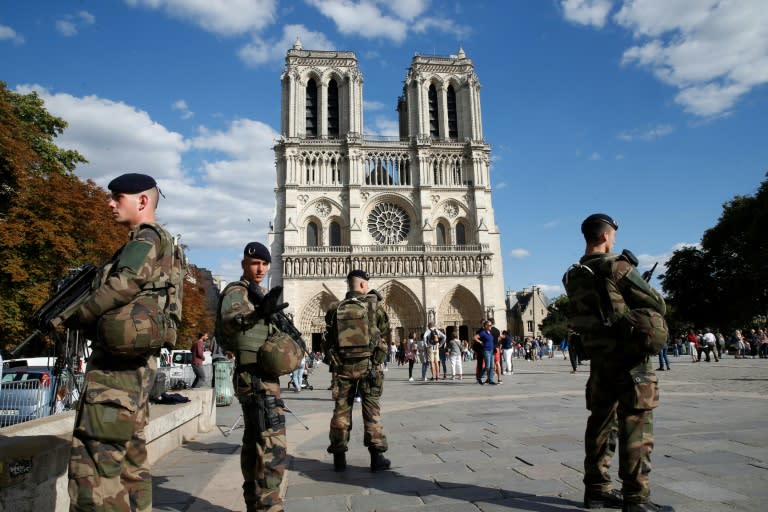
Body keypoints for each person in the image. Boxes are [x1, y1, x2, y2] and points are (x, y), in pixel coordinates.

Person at [67, 172, 180, 511]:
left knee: (95, 473)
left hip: (115, 377)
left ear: (142, 201)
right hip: (137, 368)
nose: (110, 203)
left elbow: (124, 285)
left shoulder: (144, 240)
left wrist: (75, 315)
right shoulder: (164, 243)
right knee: (132, 466)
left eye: (117, 197)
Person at [566, 213, 672, 512]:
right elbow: (656, 304)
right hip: (630, 361)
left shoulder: (573, 274)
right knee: (635, 423)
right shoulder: (617, 265)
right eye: (613, 234)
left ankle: (597, 490)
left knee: (600, 423)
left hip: (599, 360)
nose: (614, 239)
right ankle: (636, 497)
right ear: (604, 236)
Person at [217, 241, 295, 512]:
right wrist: (257, 314)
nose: (260, 268)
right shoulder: (238, 293)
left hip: (260, 377)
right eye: (254, 264)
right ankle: (269, 506)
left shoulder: (259, 293)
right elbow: (230, 323)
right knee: (273, 444)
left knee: (254, 441)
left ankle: (254, 501)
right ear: (243, 265)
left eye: (264, 264)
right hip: (255, 378)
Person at [323, 269, 391, 472]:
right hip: (369, 366)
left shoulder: (335, 308)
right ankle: (377, 457)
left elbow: (329, 334)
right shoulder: (374, 306)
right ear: (363, 285)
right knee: (371, 411)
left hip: (343, 368)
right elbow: (384, 329)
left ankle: (339, 457)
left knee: (341, 411)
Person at [474, 320, 496, 385]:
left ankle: (491, 380)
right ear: (486, 326)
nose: (491, 326)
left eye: (491, 325)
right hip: (486, 351)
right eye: (489, 325)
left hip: (491, 351)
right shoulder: (483, 333)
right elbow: (475, 337)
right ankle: (479, 376)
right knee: (487, 366)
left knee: (492, 366)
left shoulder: (490, 332)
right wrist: (480, 342)